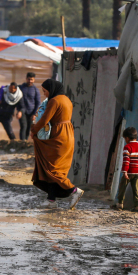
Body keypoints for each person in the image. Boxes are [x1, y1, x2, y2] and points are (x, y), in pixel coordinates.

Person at [31, 79, 83, 209]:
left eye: (45, 91)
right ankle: (51, 200)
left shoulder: (54, 101)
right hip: (68, 134)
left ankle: (74, 191)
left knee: (52, 168)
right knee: (54, 166)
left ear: (52, 89)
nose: (45, 94)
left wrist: (34, 131)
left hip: (58, 135)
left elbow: (44, 119)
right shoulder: (66, 99)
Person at [114, 127, 138, 212]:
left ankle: (120, 204)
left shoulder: (127, 147)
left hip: (129, 172)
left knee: (122, 187)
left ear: (127, 138)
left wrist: (125, 172)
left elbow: (126, 160)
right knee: (136, 189)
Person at [19, 72, 40, 141]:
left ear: (34, 80)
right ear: (26, 79)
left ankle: (25, 141)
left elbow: (37, 103)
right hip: (22, 111)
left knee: (28, 128)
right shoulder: (21, 88)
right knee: (23, 126)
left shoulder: (35, 90)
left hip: (31, 112)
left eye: (31, 79)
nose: (30, 81)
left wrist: (34, 114)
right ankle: (22, 142)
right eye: (29, 79)